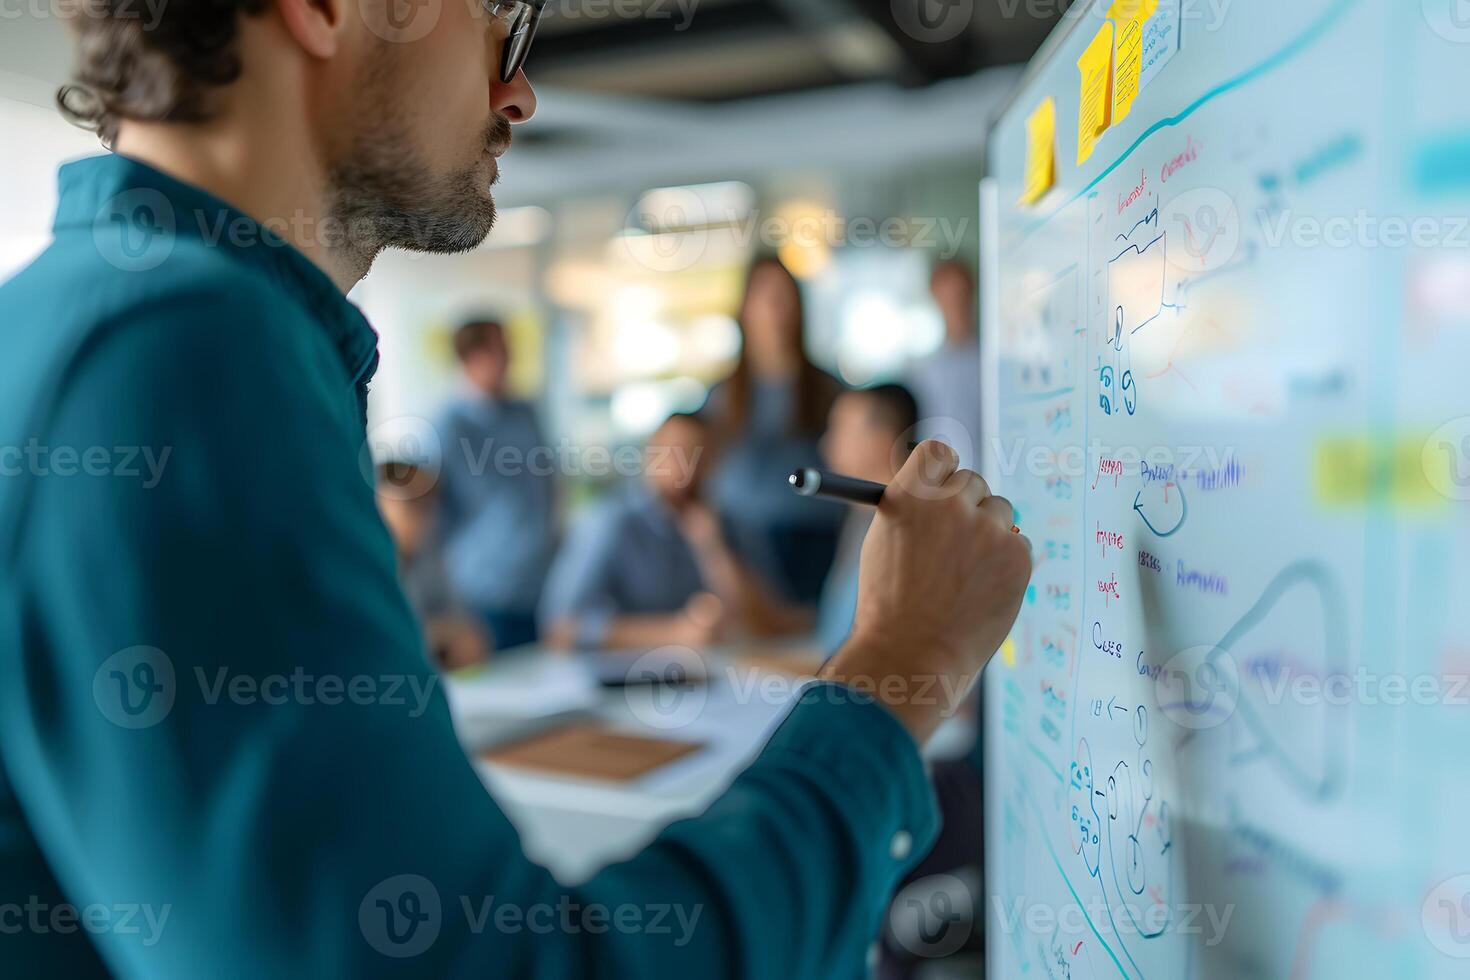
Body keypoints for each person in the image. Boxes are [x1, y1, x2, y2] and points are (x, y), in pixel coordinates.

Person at [0, 7, 1031, 977]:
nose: (521, 90)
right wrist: (906, 663)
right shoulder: (186, 351)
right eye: (502, 19)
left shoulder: (99, 322)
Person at [541, 412, 803, 651]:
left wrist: (713, 549)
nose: (686, 470)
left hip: (712, 676)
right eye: (676, 453)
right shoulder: (610, 521)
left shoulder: (727, 522)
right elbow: (559, 629)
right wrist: (673, 633)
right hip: (626, 681)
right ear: (649, 454)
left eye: (698, 457)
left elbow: (771, 622)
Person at [702, 256, 846, 604]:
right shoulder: (722, 396)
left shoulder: (827, 389)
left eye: (783, 297)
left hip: (817, 545)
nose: (774, 310)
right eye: (763, 297)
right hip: (745, 549)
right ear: (744, 309)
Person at [435, 317, 556, 651]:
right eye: (498, 349)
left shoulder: (525, 414)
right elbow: (434, 517)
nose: (508, 358)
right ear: (470, 357)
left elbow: (546, 489)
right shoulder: (448, 426)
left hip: (541, 587)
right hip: (483, 592)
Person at [813, 384, 920, 657]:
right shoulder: (860, 516)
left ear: (881, 439)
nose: (826, 443)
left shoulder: (908, 528)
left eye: (841, 430)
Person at [375, 460, 493, 673]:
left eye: (428, 506)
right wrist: (433, 633)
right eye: (412, 504)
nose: (423, 518)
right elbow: (379, 637)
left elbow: (464, 628)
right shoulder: (364, 561)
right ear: (378, 502)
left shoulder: (428, 559)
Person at [908, 259, 983, 468]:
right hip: (942, 479)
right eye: (946, 297)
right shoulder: (923, 370)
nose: (953, 305)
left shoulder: (989, 362)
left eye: (959, 295)